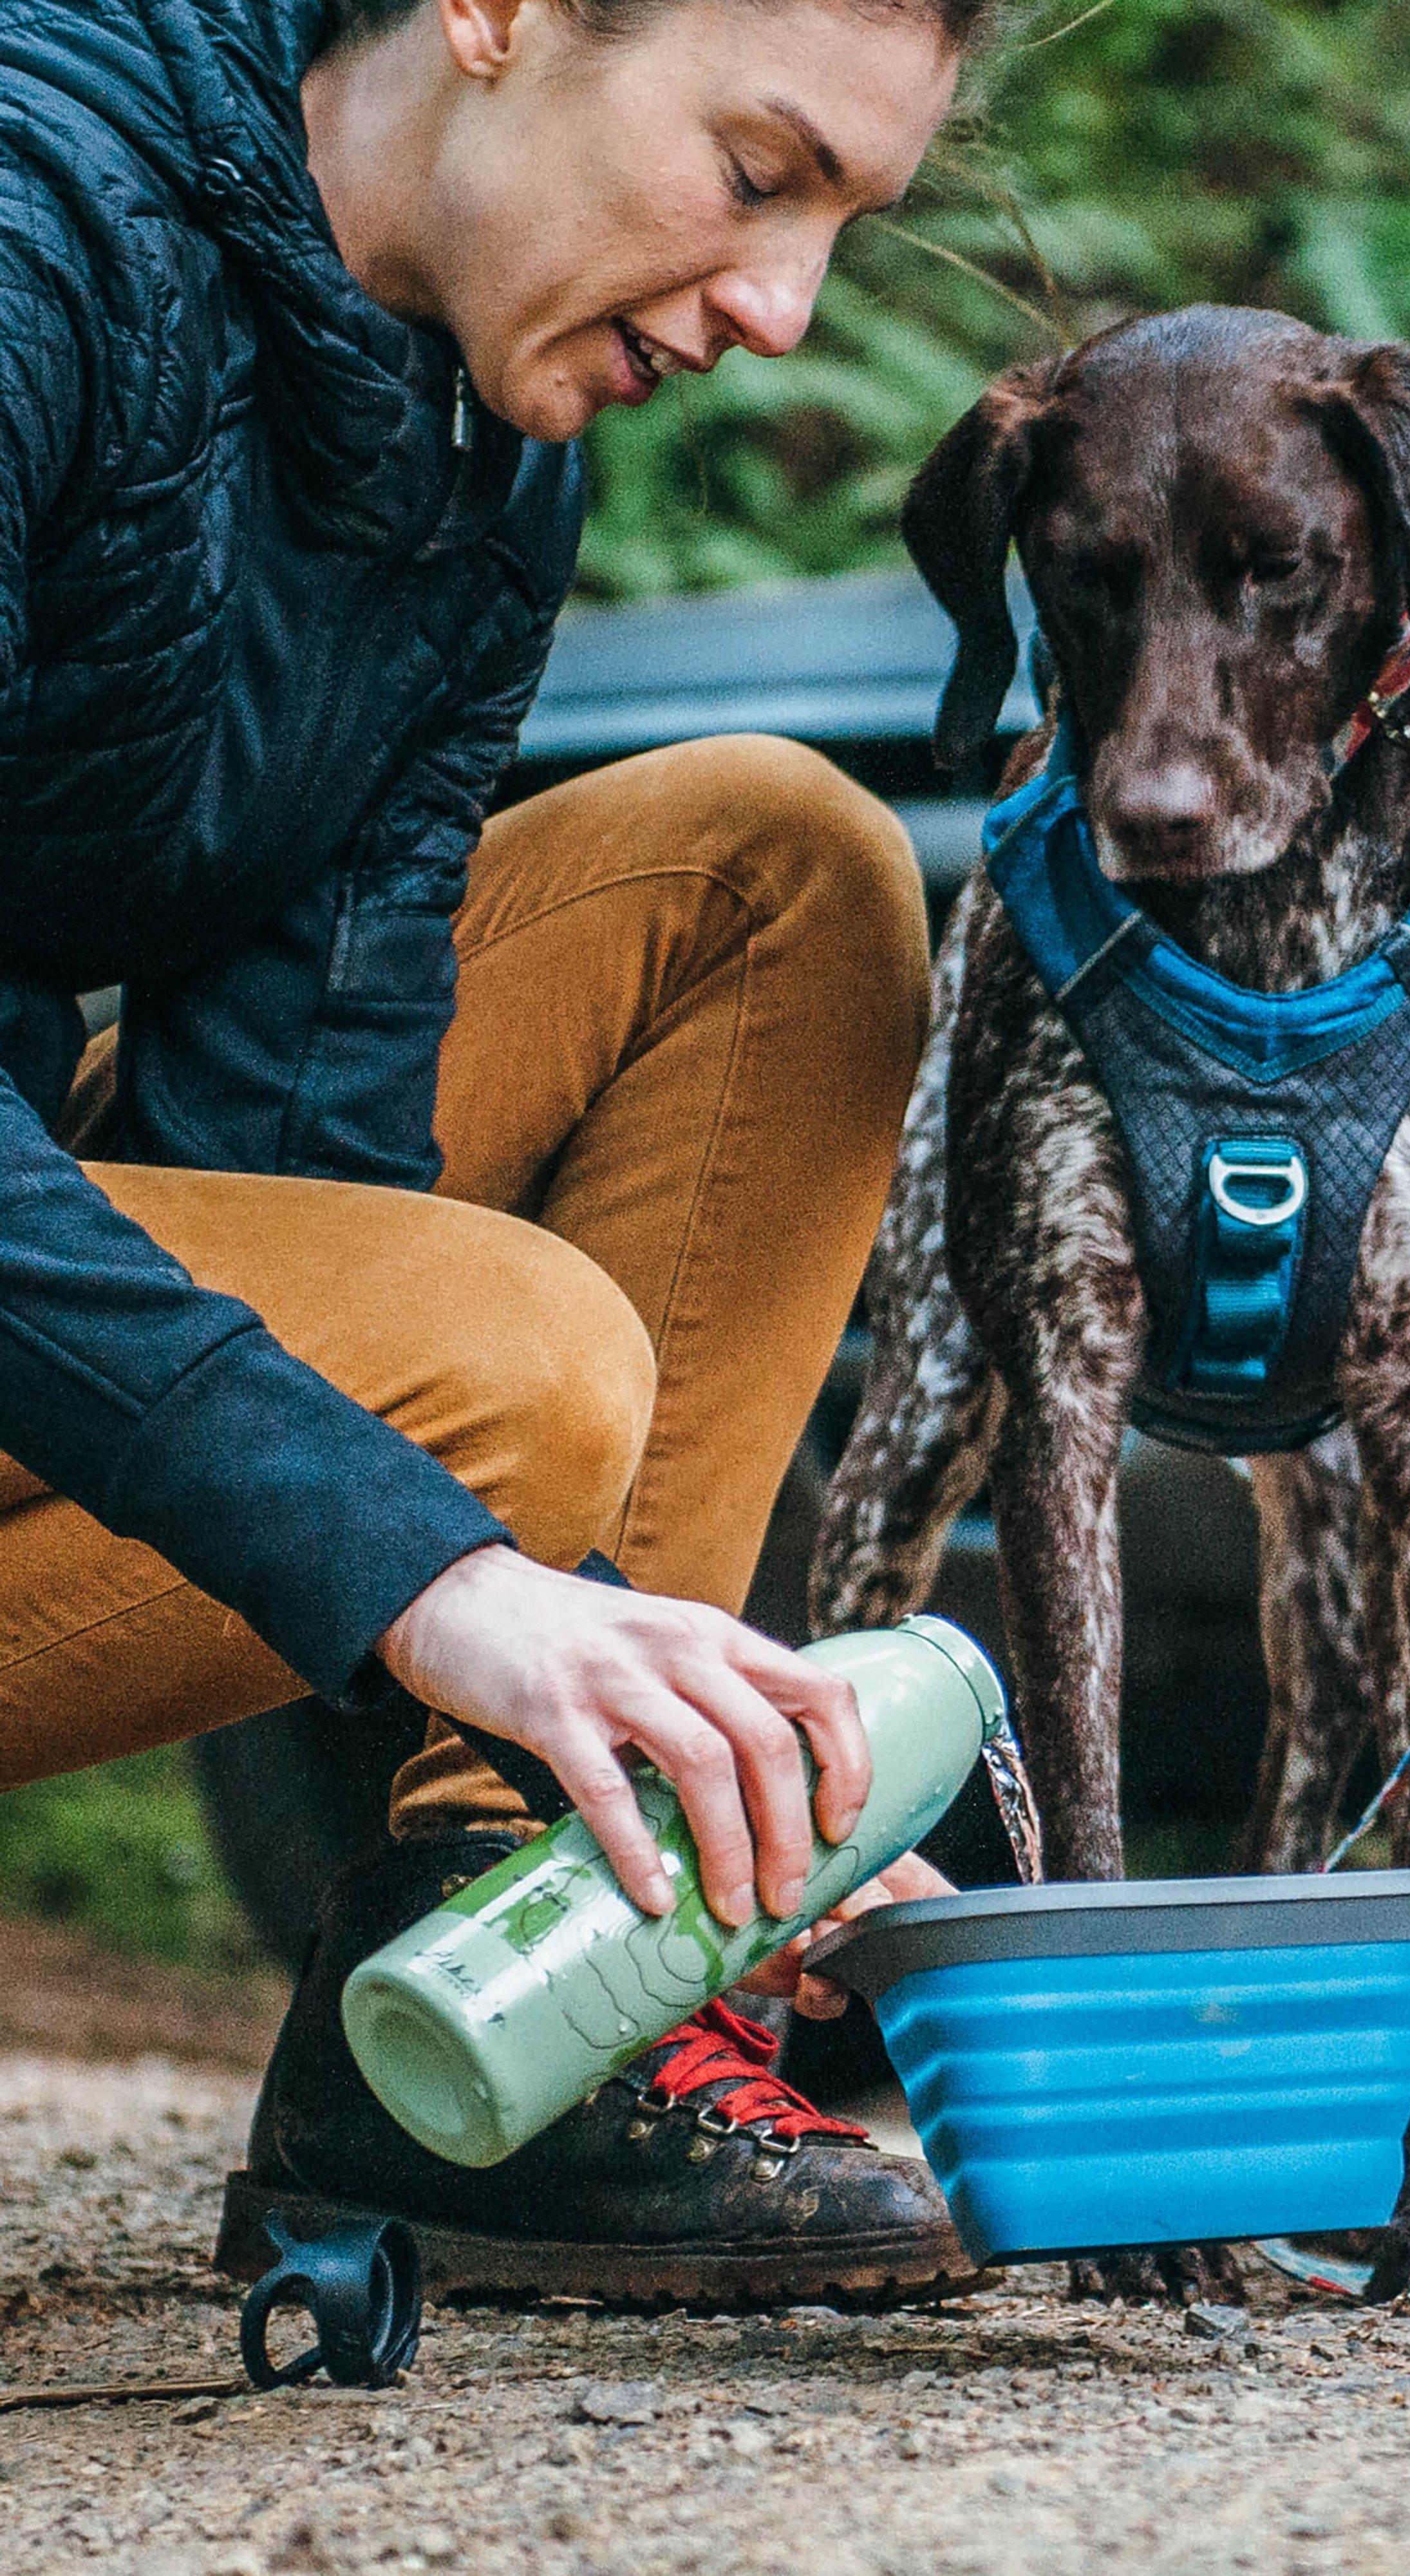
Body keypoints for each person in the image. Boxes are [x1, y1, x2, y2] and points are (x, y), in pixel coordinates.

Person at [0, 0, 986, 2305]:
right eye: (760, 174)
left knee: (786, 876)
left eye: (845, 222)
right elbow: (405, 1361)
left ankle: (531, 1960)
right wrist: (454, 1578)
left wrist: (668, 1743)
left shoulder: (471, 441)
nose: (784, 311)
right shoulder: (34, 234)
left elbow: (301, 1174)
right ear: (496, 14)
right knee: (503, 1361)